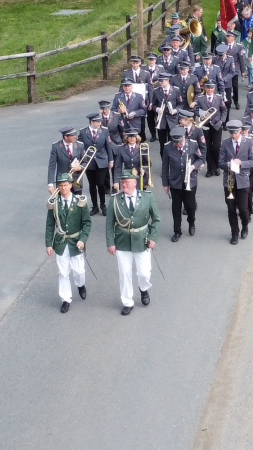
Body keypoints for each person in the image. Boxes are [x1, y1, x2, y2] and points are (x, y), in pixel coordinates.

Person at [106, 169, 158, 315]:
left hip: (142, 240)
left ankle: (143, 288)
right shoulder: (115, 200)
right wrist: (110, 242)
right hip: (122, 241)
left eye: (127, 182)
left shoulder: (147, 197)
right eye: (122, 182)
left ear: (135, 183)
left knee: (144, 272)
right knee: (125, 273)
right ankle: (127, 301)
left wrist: (153, 237)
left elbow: (156, 219)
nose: (124, 184)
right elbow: (109, 223)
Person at [44, 176, 91, 313]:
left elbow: (87, 223)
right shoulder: (54, 203)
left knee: (79, 271)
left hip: (76, 241)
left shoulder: (80, 202)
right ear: (58, 187)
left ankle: (80, 285)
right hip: (60, 242)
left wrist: (83, 239)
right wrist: (48, 244)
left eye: (65, 185)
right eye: (60, 185)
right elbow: (50, 224)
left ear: (71, 185)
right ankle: (66, 299)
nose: (63, 188)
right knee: (63, 272)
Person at [219, 119, 253, 243]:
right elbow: (220, 162)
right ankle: (234, 232)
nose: (233, 135)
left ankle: (245, 225)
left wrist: (241, 163)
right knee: (231, 208)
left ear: (240, 131)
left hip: (243, 179)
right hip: (229, 180)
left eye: (235, 133)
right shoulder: (225, 143)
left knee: (243, 208)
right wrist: (229, 164)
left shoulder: (249, 142)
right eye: (231, 133)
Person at [160, 125, 200, 241]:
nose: (178, 145)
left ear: (184, 138)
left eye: (180, 142)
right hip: (175, 182)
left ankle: (191, 222)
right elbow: (165, 166)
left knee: (190, 206)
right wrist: (165, 183)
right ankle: (177, 231)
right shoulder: (168, 147)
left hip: (190, 181)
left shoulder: (193, 144)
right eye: (176, 143)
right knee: (176, 208)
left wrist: (194, 166)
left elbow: (200, 159)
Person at [81, 111, 113, 214]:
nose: (100, 123)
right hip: (89, 162)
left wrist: (111, 160)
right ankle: (95, 206)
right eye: (98, 122)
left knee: (100, 183)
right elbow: (80, 147)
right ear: (92, 122)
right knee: (92, 184)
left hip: (102, 160)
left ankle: (103, 205)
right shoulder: (83, 132)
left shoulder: (104, 131)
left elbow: (108, 146)